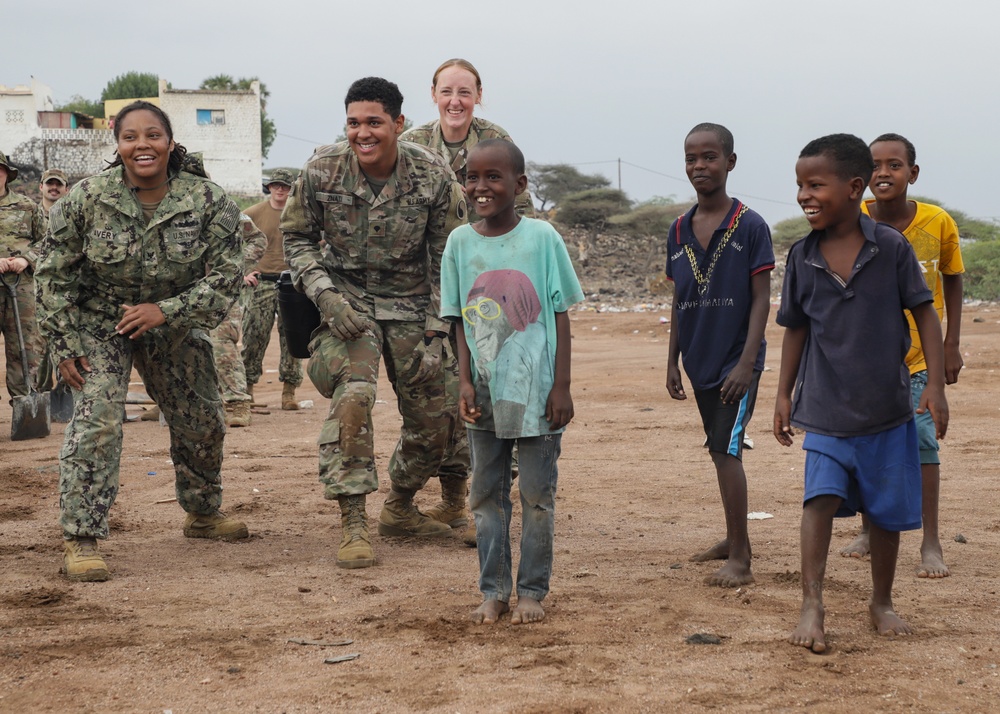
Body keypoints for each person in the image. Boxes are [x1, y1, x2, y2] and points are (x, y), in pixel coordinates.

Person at [34, 101, 249, 582]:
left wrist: (166, 311)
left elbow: (228, 277)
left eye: (153, 135)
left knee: (202, 419)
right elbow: (52, 274)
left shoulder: (208, 200)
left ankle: (202, 513)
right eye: (130, 137)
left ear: (170, 143)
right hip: (98, 323)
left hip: (172, 321)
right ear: (118, 144)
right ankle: (82, 536)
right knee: (98, 420)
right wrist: (65, 343)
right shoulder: (87, 199)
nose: (142, 145)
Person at [281, 77, 467, 569]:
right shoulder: (322, 169)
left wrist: (437, 331)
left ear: (398, 124)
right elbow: (296, 240)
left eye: (374, 123)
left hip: (412, 306)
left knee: (440, 414)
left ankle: (401, 506)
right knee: (355, 395)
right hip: (347, 306)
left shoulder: (431, 174)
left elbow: (447, 255)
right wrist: (325, 297)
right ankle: (353, 520)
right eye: (354, 123)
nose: (362, 133)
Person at [774, 133, 948, 653]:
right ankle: (812, 603)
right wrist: (783, 394)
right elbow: (796, 329)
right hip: (825, 410)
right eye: (800, 186)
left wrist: (935, 384)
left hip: (887, 412)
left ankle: (882, 601)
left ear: (854, 188)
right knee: (818, 502)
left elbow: (924, 312)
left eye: (816, 185)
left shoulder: (891, 248)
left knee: (886, 513)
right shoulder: (802, 256)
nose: (805, 195)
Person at [440, 139, 583, 624]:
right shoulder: (460, 243)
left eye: (493, 177)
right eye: (472, 177)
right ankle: (494, 590)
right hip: (481, 398)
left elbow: (560, 314)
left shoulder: (542, 239)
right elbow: (459, 320)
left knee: (538, 497)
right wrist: (463, 381)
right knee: (485, 496)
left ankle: (531, 591)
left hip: (538, 397)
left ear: (519, 184)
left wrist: (560, 386)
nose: (481, 187)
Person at [402, 58, 534, 544]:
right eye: (446, 91)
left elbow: (521, 209)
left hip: (489, 286)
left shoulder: (495, 138)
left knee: (495, 387)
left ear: (479, 96)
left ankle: (486, 501)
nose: (455, 101)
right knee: (445, 391)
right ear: (433, 94)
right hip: (430, 283)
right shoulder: (411, 144)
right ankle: (457, 498)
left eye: (465, 91)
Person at [839, 133, 964, 579]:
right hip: (867, 359)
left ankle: (930, 541)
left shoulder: (938, 222)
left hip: (919, 358)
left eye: (894, 165)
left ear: (913, 173)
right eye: (875, 166)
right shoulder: (852, 220)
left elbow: (952, 277)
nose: (883, 174)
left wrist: (950, 344)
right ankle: (870, 530)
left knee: (923, 444)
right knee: (870, 445)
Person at [664, 123, 774, 588]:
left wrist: (747, 362)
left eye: (709, 157)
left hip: (736, 362)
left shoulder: (749, 225)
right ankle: (733, 539)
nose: (699, 167)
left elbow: (762, 297)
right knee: (720, 450)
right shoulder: (678, 229)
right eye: (691, 158)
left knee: (726, 451)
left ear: (730, 161)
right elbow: (678, 297)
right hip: (698, 359)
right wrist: (671, 359)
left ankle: (742, 559)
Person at [242, 168, 304, 411]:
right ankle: (247, 388)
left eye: (285, 186)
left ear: (292, 189)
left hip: (292, 283)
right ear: (268, 187)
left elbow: (319, 241)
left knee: (292, 338)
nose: (280, 190)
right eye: (276, 185)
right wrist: (244, 271)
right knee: (254, 335)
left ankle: (289, 391)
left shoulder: (299, 213)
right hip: (262, 282)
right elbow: (227, 242)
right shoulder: (252, 213)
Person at [210, 213, 268, 427]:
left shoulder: (223, 208)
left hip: (223, 290)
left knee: (222, 343)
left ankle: (237, 402)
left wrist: (233, 267)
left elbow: (258, 239)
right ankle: (168, 402)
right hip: (185, 289)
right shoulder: (166, 206)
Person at [0, 150, 47, 402]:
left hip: (22, 288)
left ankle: (26, 402)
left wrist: (26, 259)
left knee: (26, 346)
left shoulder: (28, 206)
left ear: (7, 174)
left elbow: (48, 242)